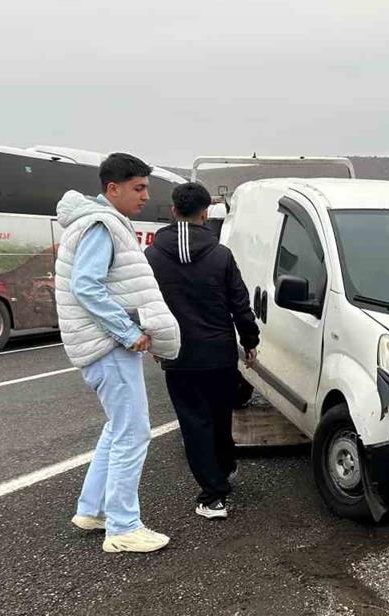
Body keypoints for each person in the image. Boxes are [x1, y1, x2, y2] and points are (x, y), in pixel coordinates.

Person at [55, 153, 181, 553]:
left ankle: (93, 509)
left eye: (146, 188)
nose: (145, 196)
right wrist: (127, 333)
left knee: (118, 427)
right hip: (108, 344)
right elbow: (86, 285)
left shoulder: (101, 222)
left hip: (101, 344)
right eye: (138, 188)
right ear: (113, 188)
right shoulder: (101, 225)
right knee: (133, 432)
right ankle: (123, 528)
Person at [146, 182, 260, 520]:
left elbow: (146, 304)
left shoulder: (152, 255)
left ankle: (213, 497)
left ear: (173, 210)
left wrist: (154, 341)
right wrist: (250, 341)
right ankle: (225, 470)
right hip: (219, 352)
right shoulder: (221, 254)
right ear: (205, 213)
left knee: (194, 423)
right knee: (221, 416)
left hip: (178, 355)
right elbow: (240, 303)